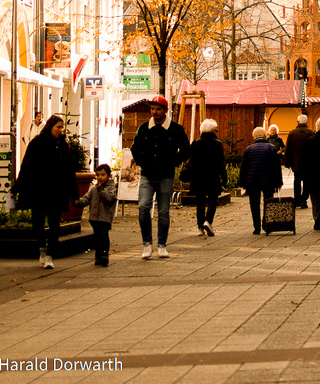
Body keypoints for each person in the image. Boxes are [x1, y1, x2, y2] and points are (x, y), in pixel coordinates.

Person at [11, 115, 78, 269]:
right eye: (58, 127)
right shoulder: (37, 143)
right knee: (38, 223)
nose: (60, 131)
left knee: (55, 224)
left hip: (56, 191)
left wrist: (74, 195)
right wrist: (16, 188)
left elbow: (69, 172)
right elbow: (26, 167)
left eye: (62, 128)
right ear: (50, 127)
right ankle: (42, 247)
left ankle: (50, 254)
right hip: (39, 190)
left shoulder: (64, 146)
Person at [131, 95, 191, 260]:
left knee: (163, 211)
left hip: (166, 175)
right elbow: (135, 147)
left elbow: (186, 149)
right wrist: (142, 161)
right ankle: (147, 244)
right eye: (152, 109)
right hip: (147, 175)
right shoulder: (144, 128)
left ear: (165, 110)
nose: (154, 112)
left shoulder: (175, 129)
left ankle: (162, 245)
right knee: (143, 207)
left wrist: (174, 161)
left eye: (158, 109)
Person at [187, 118, 227, 236]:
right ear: (212, 131)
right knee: (212, 200)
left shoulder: (196, 143)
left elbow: (191, 160)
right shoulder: (217, 144)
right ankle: (208, 221)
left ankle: (200, 227)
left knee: (200, 202)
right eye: (216, 130)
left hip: (198, 177)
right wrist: (224, 178)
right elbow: (221, 163)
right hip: (212, 176)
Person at [238, 127, 282, 235]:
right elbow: (277, 167)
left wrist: (242, 182)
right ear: (264, 136)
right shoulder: (271, 148)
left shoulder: (248, 149)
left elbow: (244, 167)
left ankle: (256, 227)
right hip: (268, 181)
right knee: (268, 202)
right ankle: (266, 224)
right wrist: (279, 182)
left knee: (254, 204)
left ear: (254, 136)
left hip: (252, 181)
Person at [76, 163, 117, 266]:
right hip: (94, 218)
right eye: (98, 175)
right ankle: (98, 255)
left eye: (102, 175)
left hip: (105, 218)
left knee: (103, 235)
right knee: (97, 237)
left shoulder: (111, 188)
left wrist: (101, 190)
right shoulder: (94, 189)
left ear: (109, 175)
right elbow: (86, 199)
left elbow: (108, 198)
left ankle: (104, 253)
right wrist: (78, 202)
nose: (100, 178)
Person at [285, 114, 313, 208]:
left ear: (297, 122)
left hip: (296, 162)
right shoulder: (311, 133)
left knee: (297, 181)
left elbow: (288, 148)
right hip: (308, 163)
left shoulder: (292, 133)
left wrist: (287, 162)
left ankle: (297, 199)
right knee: (307, 181)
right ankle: (303, 199)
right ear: (306, 122)